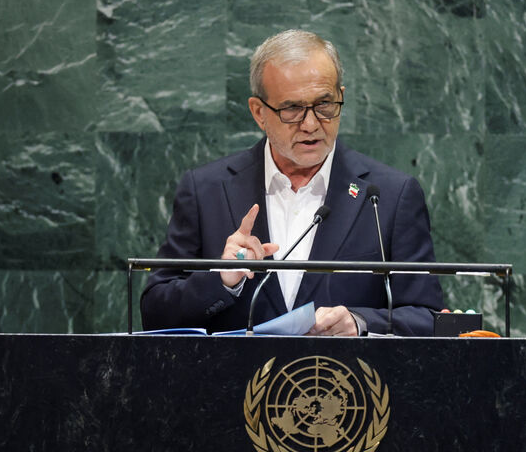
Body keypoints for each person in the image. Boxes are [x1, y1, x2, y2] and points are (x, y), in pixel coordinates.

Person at [140, 29, 443, 336]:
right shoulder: (206, 190)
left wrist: (361, 322)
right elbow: (155, 314)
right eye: (292, 109)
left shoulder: (389, 196)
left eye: (325, 104)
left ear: (341, 96)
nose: (311, 124)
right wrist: (220, 279)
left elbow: (429, 316)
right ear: (259, 112)